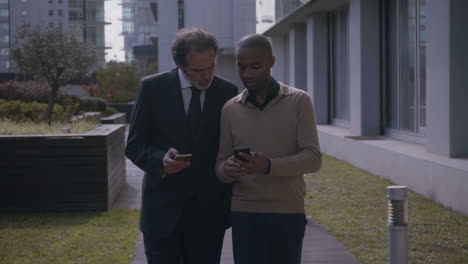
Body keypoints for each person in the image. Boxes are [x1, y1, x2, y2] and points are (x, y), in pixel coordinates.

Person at [125, 28, 238, 264]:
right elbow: (134, 145)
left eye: (211, 67)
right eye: (198, 70)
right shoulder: (152, 88)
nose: (206, 75)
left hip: (209, 214)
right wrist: (161, 161)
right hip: (162, 214)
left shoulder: (227, 92)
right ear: (180, 65)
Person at [215, 34, 322, 264]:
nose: (247, 74)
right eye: (241, 67)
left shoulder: (299, 101)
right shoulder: (230, 109)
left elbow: (313, 158)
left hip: (288, 212)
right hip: (244, 213)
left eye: (255, 66)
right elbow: (220, 165)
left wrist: (268, 166)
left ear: (272, 62)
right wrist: (228, 169)